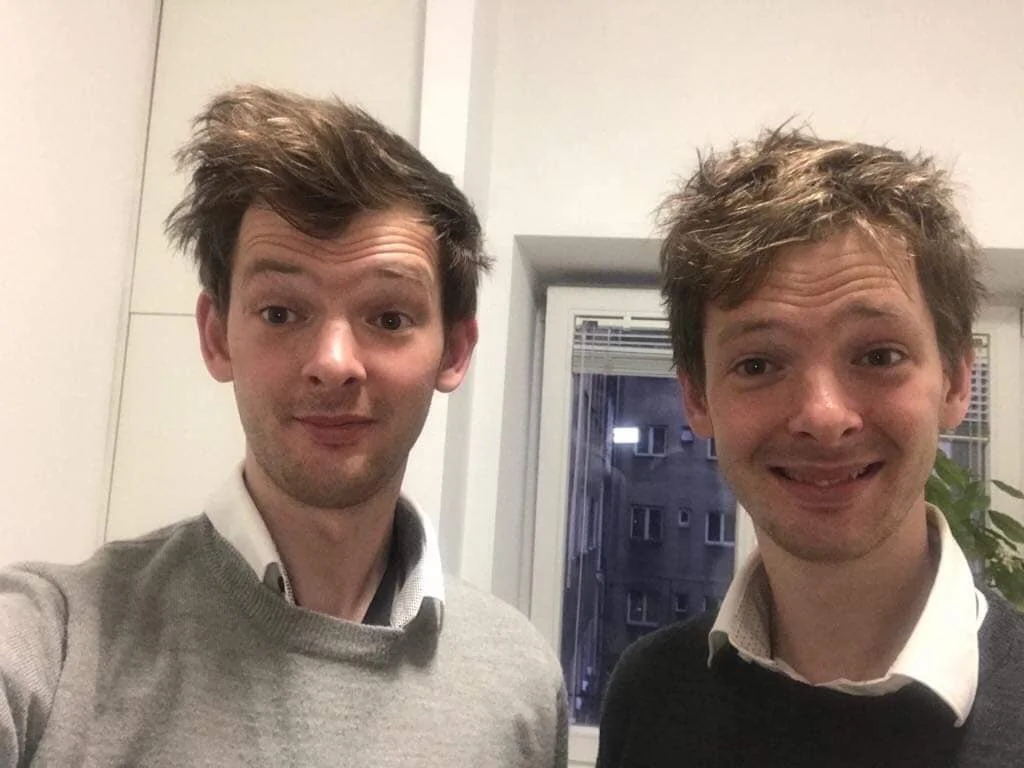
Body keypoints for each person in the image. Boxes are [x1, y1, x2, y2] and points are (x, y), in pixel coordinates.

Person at [1, 85, 567, 767]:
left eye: (388, 318)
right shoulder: (52, 639)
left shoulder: (521, 686)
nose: (333, 364)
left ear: (454, 350)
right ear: (217, 337)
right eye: (280, 312)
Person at [597, 129, 1024, 767]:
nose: (824, 418)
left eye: (879, 355)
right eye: (760, 363)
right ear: (698, 399)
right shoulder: (651, 695)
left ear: (957, 382)